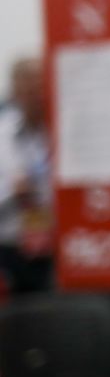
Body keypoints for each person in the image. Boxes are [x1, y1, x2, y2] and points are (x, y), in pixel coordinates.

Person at [0, 57, 53, 294]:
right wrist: (12, 191)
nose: (35, 95)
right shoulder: (2, 136)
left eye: (39, 86)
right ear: (15, 92)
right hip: (11, 249)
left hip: (58, 247)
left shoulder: (63, 130)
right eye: (27, 88)